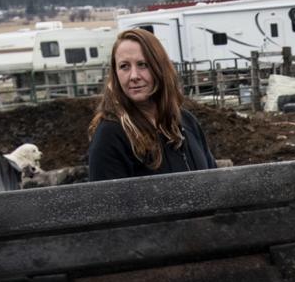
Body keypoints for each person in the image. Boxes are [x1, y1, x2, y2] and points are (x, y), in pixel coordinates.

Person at [87, 28, 217, 180]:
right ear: (115, 74)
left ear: (160, 68)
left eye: (142, 64)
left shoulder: (186, 122)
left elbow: (214, 181)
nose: (134, 76)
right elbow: (106, 201)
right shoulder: (111, 135)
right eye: (124, 66)